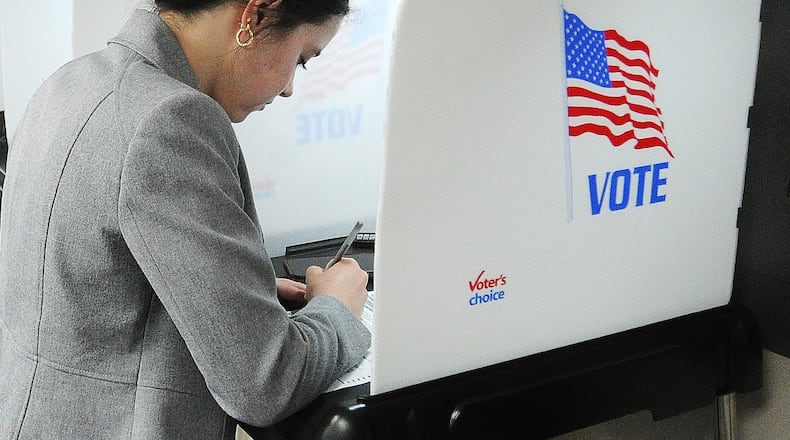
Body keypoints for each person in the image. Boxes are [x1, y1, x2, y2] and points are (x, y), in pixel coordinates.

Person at [0, 0, 371, 438]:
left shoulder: (71, 82)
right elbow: (265, 384)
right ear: (254, 16)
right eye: (302, 59)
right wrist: (338, 308)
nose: (290, 87)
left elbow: (79, 284)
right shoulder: (170, 118)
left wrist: (231, 290)